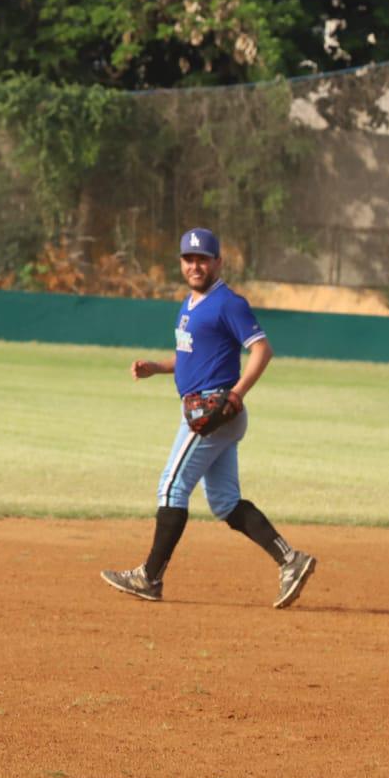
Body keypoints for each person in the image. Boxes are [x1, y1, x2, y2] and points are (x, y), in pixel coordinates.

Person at [100, 227, 316, 609]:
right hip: (207, 411)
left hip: (214, 415)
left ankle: (149, 577)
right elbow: (190, 357)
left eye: (203, 259)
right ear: (181, 263)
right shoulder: (191, 303)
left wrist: (235, 394)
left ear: (218, 262)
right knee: (225, 502)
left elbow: (262, 351)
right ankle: (290, 559)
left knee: (171, 487)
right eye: (189, 259)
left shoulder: (228, 303)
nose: (195, 265)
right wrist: (158, 367)